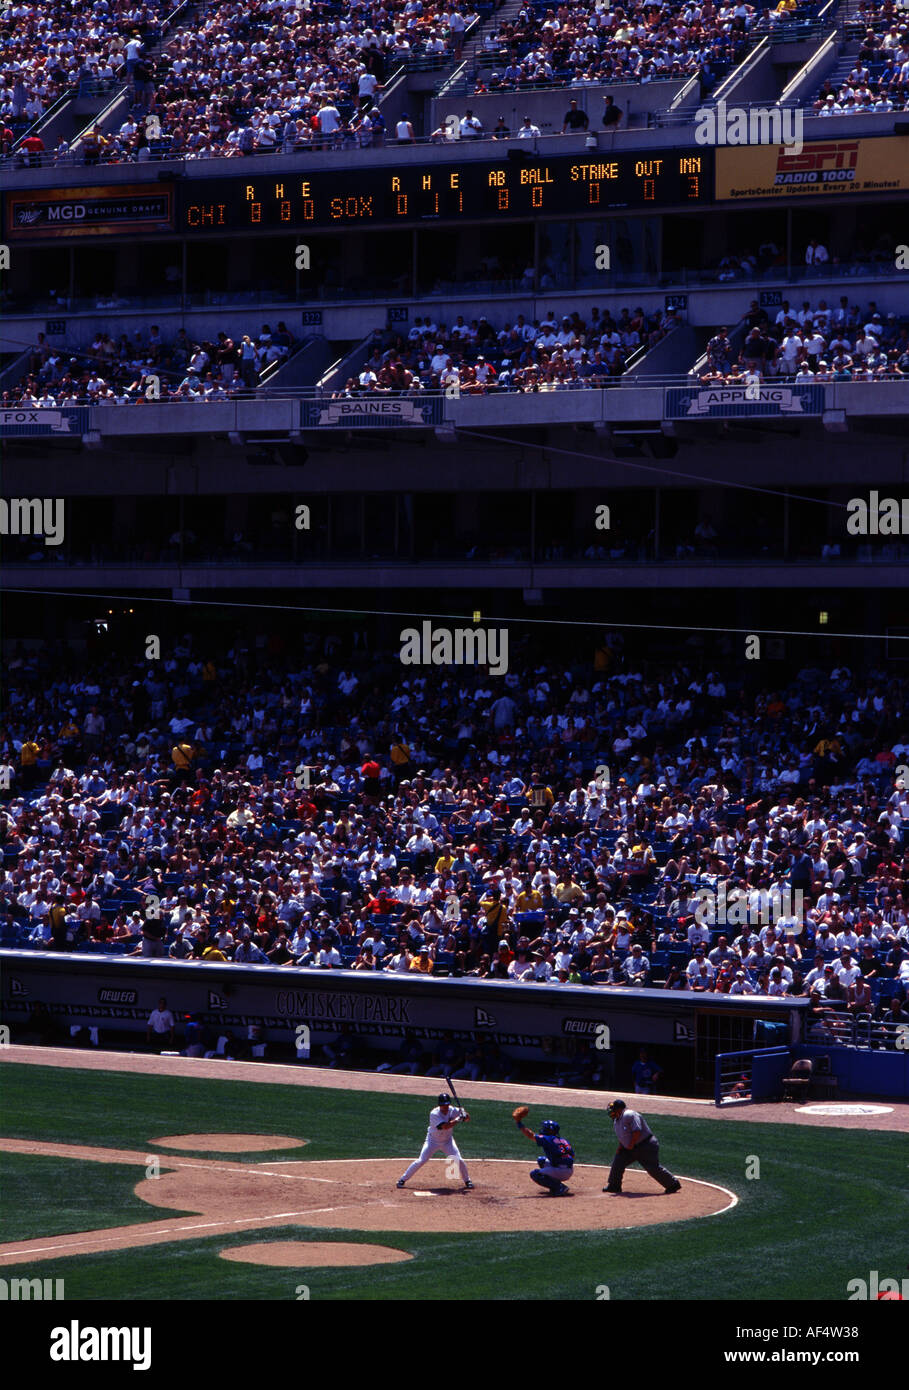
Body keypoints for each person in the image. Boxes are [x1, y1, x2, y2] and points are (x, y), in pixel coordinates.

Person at [603, 1098, 681, 1194]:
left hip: (645, 1145)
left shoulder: (629, 1114)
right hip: (630, 1148)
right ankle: (614, 1185)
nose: (612, 1112)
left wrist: (631, 1145)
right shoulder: (617, 1121)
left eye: (614, 1109)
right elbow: (623, 1136)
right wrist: (621, 1147)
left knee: (652, 1168)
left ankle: (673, 1184)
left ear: (620, 1109)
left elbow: (637, 1131)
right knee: (618, 1161)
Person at [397, 1093, 473, 1189]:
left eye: (446, 1105)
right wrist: (459, 1118)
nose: (445, 1107)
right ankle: (402, 1179)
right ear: (439, 1104)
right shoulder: (434, 1114)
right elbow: (445, 1126)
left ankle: (467, 1181)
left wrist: (464, 1113)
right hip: (432, 1141)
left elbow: (467, 1119)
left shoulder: (453, 1110)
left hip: (447, 1141)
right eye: (443, 1105)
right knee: (421, 1160)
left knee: (459, 1160)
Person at [514, 1114, 575, 1195]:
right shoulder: (563, 1140)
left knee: (535, 1174)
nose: (543, 1129)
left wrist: (519, 1123)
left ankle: (559, 1187)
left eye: (545, 1128)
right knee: (542, 1160)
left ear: (550, 1130)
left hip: (561, 1170)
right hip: (568, 1168)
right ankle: (556, 1184)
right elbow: (572, 1155)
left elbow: (530, 1135)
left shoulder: (548, 1139)